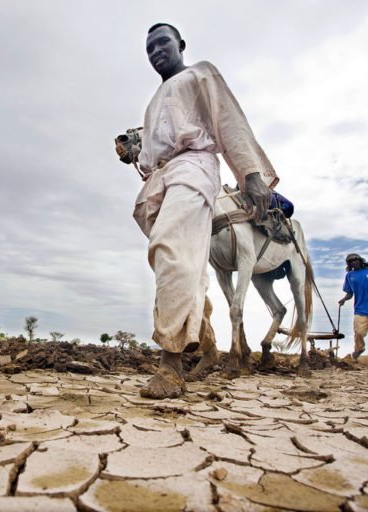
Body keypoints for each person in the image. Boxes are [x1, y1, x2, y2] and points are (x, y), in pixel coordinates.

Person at [133, 23, 279, 398]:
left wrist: (250, 175)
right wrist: (135, 153)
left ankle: (170, 365)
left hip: (193, 167)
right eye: (149, 47)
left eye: (162, 42)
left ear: (180, 44)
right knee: (184, 265)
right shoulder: (154, 102)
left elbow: (228, 119)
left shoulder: (201, 73)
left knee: (170, 247)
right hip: (158, 179)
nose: (156, 51)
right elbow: (153, 149)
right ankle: (209, 346)